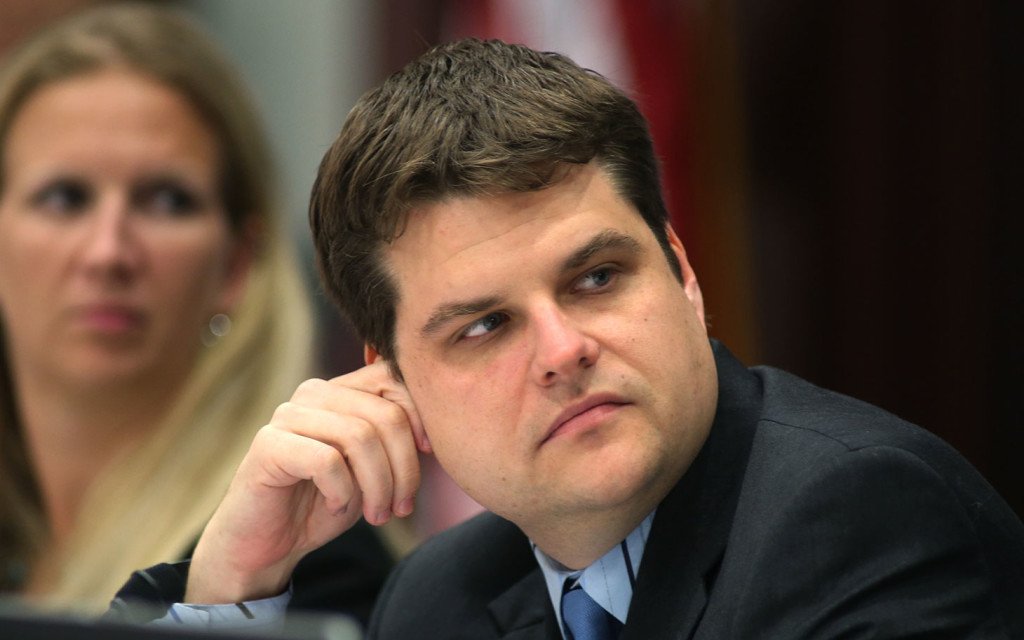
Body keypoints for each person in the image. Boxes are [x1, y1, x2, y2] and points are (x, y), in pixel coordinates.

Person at [112, 38, 1024, 637]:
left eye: (597, 278)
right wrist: (232, 586)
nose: (562, 348)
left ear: (683, 272)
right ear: (397, 391)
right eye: (484, 325)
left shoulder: (862, 519)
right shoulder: (441, 601)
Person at [0, 3, 391, 621]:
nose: (108, 252)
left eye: (165, 201)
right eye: (64, 197)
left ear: (235, 266)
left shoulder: (296, 556)